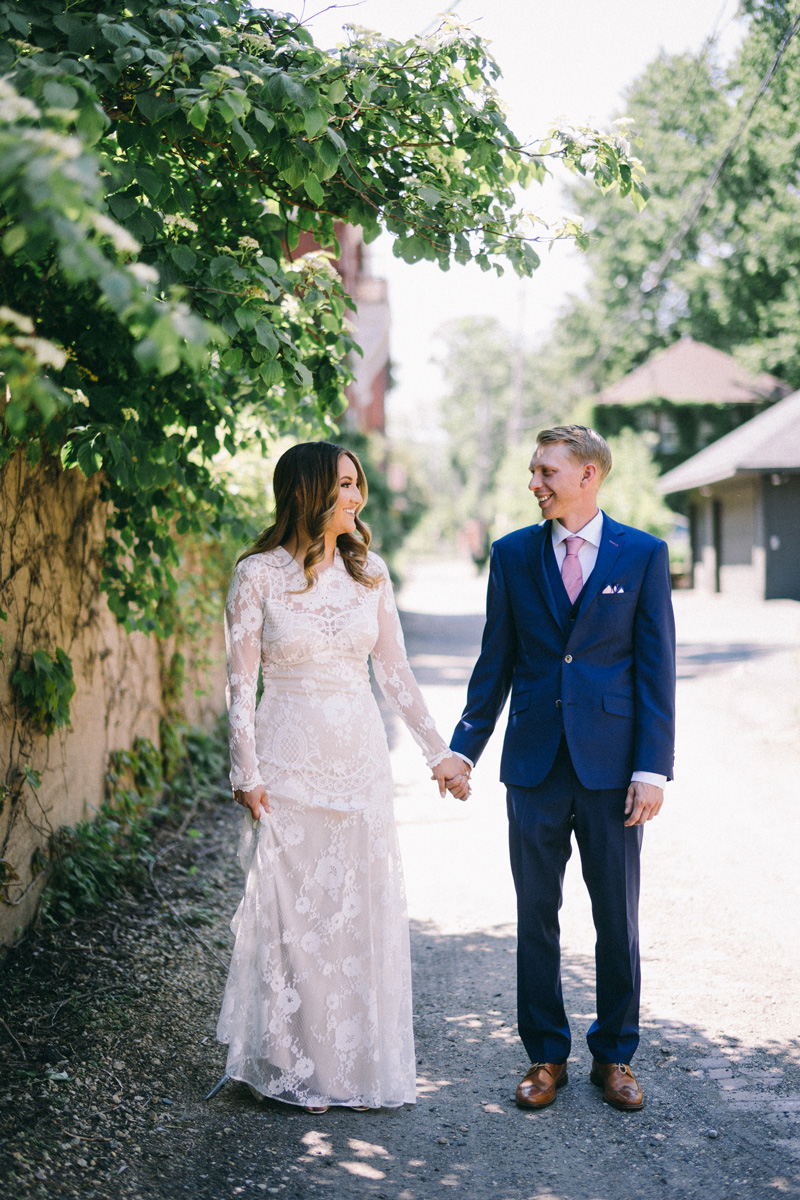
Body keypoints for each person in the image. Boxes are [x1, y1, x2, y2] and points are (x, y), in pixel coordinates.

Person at [217, 441, 469, 1114]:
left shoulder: (371, 574)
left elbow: (394, 672)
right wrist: (247, 771)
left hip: (359, 761)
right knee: (293, 915)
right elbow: (241, 686)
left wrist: (437, 753)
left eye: (359, 486)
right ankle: (292, 1063)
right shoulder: (257, 576)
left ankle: (353, 1066)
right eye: (346, 487)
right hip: (288, 760)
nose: (357, 498)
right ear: (307, 493)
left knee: (353, 911)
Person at [435, 425, 676, 1112]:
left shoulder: (644, 555)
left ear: (589, 475)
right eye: (534, 472)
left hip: (613, 768)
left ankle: (617, 1056)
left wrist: (652, 768)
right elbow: (495, 663)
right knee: (537, 914)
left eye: (546, 471)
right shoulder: (512, 555)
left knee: (616, 917)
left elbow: (656, 669)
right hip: (534, 765)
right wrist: (464, 746)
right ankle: (545, 1056)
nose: (534, 483)